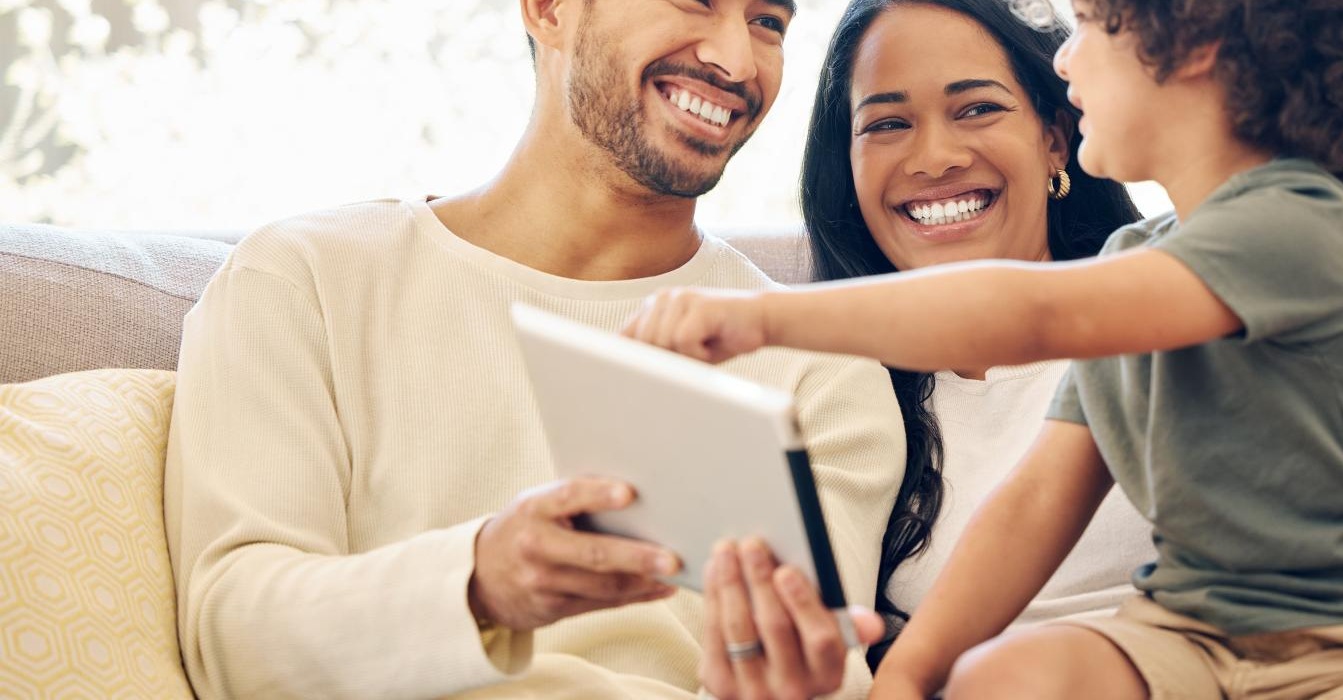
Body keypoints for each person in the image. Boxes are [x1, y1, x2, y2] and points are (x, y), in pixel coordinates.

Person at [625, 0, 1343, 698]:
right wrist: (908, 679)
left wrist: (761, 317)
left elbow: (1035, 316)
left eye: (1085, 25)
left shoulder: (1301, 228)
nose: (1064, 63)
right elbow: (1037, 499)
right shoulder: (1134, 263)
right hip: (1187, 631)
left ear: (1192, 40)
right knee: (1012, 676)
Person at [164, 1, 898, 698]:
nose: (738, 60)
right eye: (695, 2)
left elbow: (819, 675)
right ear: (548, 8)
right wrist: (481, 582)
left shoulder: (821, 369)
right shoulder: (304, 281)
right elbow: (233, 640)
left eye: (767, 21)